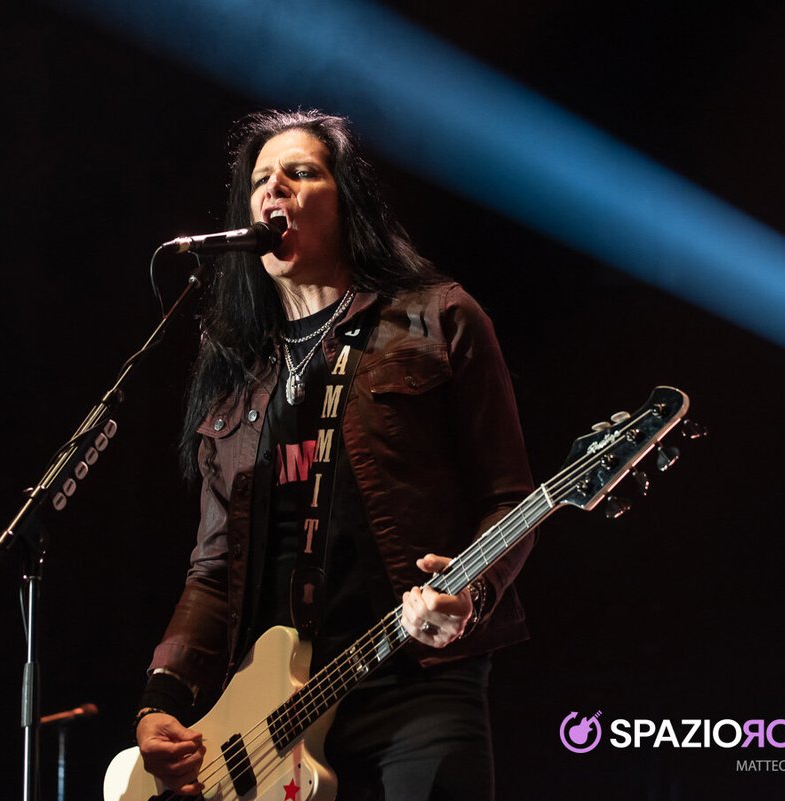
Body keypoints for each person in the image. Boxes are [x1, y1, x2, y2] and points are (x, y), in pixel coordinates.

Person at [133, 109, 536, 800]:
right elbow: (212, 567)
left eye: (301, 172)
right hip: (273, 712)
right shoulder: (236, 370)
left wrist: (470, 590)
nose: (274, 189)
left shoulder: (438, 317)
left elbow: (510, 497)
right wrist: (160, 699)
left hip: (415, 686)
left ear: (347, 200)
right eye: (260, 179)